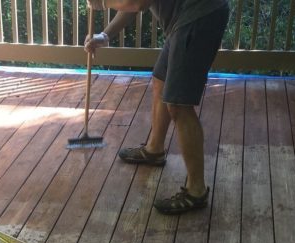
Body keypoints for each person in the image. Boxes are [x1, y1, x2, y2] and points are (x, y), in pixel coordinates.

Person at [85, 0, 229, 214]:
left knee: (179, 105)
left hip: (199, 16)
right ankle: (154, 150)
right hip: (185, 19)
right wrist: (105, 35)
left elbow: (138, 3)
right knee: (161, 80)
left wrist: (103, 3)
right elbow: (133, 4)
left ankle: (196, 191)